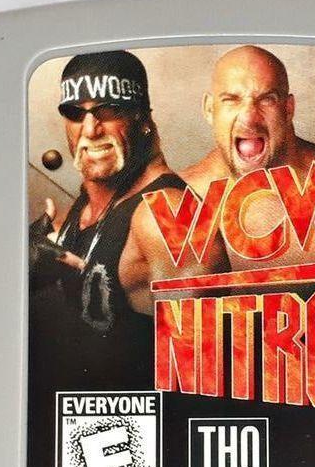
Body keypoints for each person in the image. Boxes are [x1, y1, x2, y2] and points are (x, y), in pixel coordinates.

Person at [29, 50, 227, 388]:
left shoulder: (170, 215)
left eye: (109, 111)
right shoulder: (94, 198)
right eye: (75, 113)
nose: (90, 130)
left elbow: (202, 377)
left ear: (142, 119)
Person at [181, 45, 315, 266]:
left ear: (288, 109)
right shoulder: (179, 199)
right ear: (209, 109)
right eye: (231, 99)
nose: (249, 118)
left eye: (266, 99)